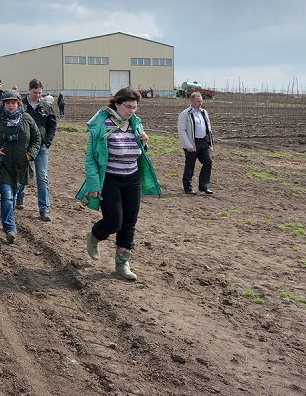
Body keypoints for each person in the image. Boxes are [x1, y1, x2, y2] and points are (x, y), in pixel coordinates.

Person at [75, 87, 161, 281]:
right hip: (110, 179)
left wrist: (144, 143)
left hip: (132, 178)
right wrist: (93, 185)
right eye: (128, 107)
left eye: (135, 108)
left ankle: (122, 263)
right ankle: (95, 236)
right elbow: (91, 158)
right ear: (117, 103)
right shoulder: (101, 124)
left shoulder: (135, 123)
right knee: (114, 222)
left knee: (129, 223)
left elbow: (139, 149)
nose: (131, 111)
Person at [0, 89, 40, 244]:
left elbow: (36, 138)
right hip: (3, 165)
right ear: (3, 104)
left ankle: (6, 221)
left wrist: (30, 155)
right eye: (7, 102)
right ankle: (10, 228)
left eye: (13, 102)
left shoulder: (27, 118)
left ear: (18, 103)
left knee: (14, 197)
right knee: (7, 196)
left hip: (21, 166)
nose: (10, 105)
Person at [16, 79, 57, 221]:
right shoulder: (20, 105)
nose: (38, 95)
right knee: (22, 173)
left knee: (42, 177)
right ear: (29, 90)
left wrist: (48, 142)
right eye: (35, 93)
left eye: (40, 93)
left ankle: (44, 209)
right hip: (24, 147)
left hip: (41, 148)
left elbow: (52, 125)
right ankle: (19, 198)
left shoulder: (46, 106)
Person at [177, 92, 214, 195]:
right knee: (190, 165)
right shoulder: (185, 114)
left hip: (203, 142)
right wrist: (188, 145)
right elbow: (182, 131)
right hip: (192, 143)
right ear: (192, 101)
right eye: (198, 101)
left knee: (208, 162)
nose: (200, 103)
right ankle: (188, 187)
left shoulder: (203, 112)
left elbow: (208, 128)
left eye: (201, 101)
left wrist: (210, 143)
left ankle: (204, 186)